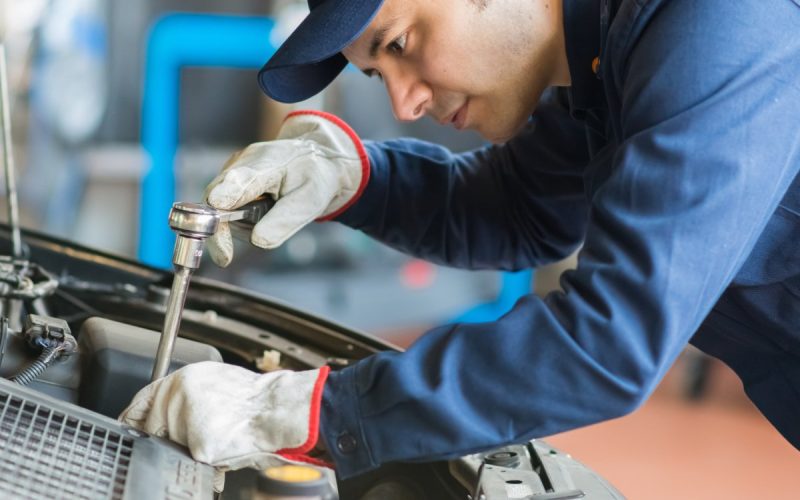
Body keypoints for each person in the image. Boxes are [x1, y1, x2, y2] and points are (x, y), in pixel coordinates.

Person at [120, 0, 800, 486]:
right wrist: (355, 178)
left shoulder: (717, 22)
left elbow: (609, 344)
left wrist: (311, 410)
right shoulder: (602, 63)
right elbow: (517, 210)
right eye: (376, 74)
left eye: (400, 45)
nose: (404, 104)